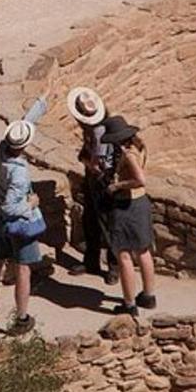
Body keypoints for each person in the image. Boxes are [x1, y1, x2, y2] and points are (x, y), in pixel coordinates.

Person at [0, 96, 47, 336]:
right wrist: (31, 204)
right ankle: (22, 319)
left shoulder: (1, 149)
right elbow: (11, 207)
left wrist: (40, 104)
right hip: (17, 224)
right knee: (22, 270)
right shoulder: (18, 174)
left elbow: (22, 126)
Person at [100, 115, 157, 317]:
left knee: (123, 254)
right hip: (141, 203)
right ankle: (149, 296)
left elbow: (139, 179)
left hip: (126, 205)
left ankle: (129, 303)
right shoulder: (140, 146)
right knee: (143, 250)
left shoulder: (128, 153)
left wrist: (116, 186)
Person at [65, 87, 117, 283]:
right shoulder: (93, 129)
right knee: (90, 219)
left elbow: (97, 165)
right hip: (92, 180)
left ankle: (114, 268)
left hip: (101, 181)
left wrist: (83, 160)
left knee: (106, 223)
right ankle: (91, 261)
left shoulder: (98, 131)